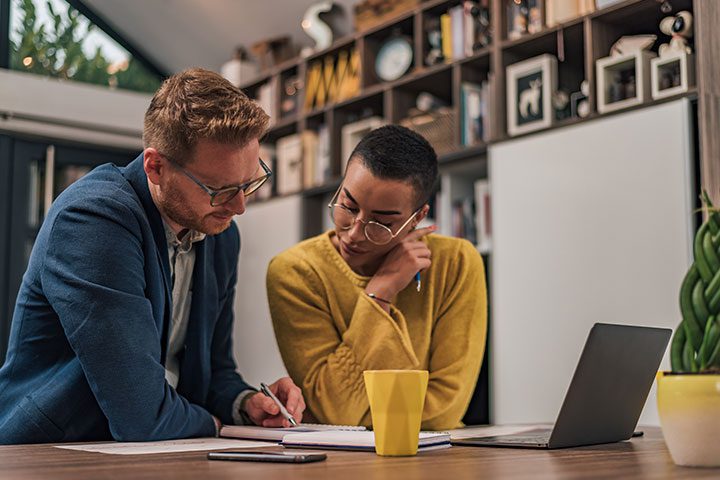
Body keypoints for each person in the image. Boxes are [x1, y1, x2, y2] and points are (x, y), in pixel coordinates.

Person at [0, 68, 305, 444]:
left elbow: (213, 371)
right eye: (220, 189)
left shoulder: (220, 233)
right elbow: (139, 414)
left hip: (158, 449)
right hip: (52, 452)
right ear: (155, 166)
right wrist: (215, 425)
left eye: (250, 182)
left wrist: (247, 404)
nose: (240, 206)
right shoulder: (93, 219)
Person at [267, 125, 487, 430]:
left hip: (437, 458)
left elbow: (445, 410)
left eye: (382, 222)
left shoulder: (457, 263)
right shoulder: (295, 272)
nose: (354, 233)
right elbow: (333, 412)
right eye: (347, 205)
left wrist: (361, 417)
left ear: (418, 217)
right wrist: (379, 293)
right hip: (337, 462)